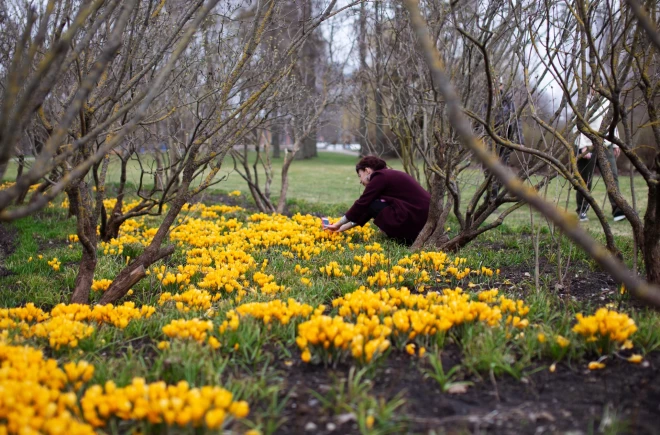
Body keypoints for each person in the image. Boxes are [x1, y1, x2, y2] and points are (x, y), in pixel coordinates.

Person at [324, 156, 430, 246]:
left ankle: (404, 239)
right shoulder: (387, 175)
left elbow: (362, 203)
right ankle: (407, 238)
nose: (360, 181)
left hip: (415, 218)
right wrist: (342, 228)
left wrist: (338, 224)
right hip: (420, 217)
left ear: (367, 171)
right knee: (373, 203)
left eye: (360, 175)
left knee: (371, 203)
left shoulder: (380, 176)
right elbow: (367, 209)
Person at [574, 97, 624, 222]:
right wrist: (582, 146)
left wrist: (616, 142)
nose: (595, 89)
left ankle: (618, 210)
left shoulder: (607, 102)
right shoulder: (583, 102)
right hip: (587, 145)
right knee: (585, 179)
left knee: (612, 177)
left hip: (606, 145)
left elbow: (612, 122)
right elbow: (577, 125)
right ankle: (582, 211)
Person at [484, 79, 525, 200]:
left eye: (498, 84)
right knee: (489, 168)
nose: (496, 87)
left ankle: (493, 195)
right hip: (490, 140)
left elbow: (517, 120)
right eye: (493, 84)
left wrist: (520, 141)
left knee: (502, 167)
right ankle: (491, 194)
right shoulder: (486, 101)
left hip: (506, 140)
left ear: (502, 86)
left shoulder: (508, 102)